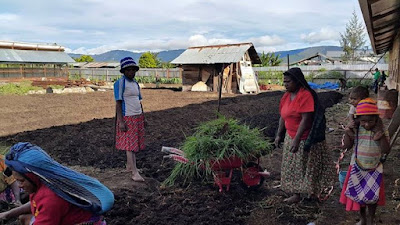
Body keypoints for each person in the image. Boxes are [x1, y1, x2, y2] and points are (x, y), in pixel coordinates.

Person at [0, 142, 114, 225]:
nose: (19, 186)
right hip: (68, 218)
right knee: (23, 218)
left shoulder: (51, 198)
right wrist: (8, 214)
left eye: (21, 181)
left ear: (33, 176)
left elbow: (45, 205)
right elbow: (36, 203)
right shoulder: (44, 183)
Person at [274, 67, 334, 204]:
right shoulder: (286, 96)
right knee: (293, 167)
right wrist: (279, 134)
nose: (285, 84)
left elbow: (306, 119)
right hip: (291, 136)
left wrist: (297, 140)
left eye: (288, 82)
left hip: (304, 137)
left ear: (297, 81)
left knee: (306, 166)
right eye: (284, 82)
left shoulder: (305, 95)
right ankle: (296, 194)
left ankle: (312, 194)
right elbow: (283, 117)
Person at [340, 98, 390, 225]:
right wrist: (347, 132)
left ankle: (371, 219)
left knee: (373, 197)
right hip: (357, 166)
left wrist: (381, 137)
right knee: (359, 196)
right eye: (363, 121)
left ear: (376, 120)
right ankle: (363, 219)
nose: (367, 125)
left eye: (370, 121)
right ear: (358, 119)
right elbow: (346, 146)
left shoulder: (381, 131)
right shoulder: (356, 130)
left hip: (375, 168)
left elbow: (386, 150)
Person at [114, 57, 146, 182]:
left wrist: (144, 117)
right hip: (128, 116)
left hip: (138, 116)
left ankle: (129, 166)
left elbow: (139, 101)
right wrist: (121, 121)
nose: (131, 72)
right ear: (124, 71)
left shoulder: (135, 84)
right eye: (129, 70)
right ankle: (134, 172)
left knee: (135, 143)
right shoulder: (120, 83)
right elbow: (118, 102)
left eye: (133, 70)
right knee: (130, 146)